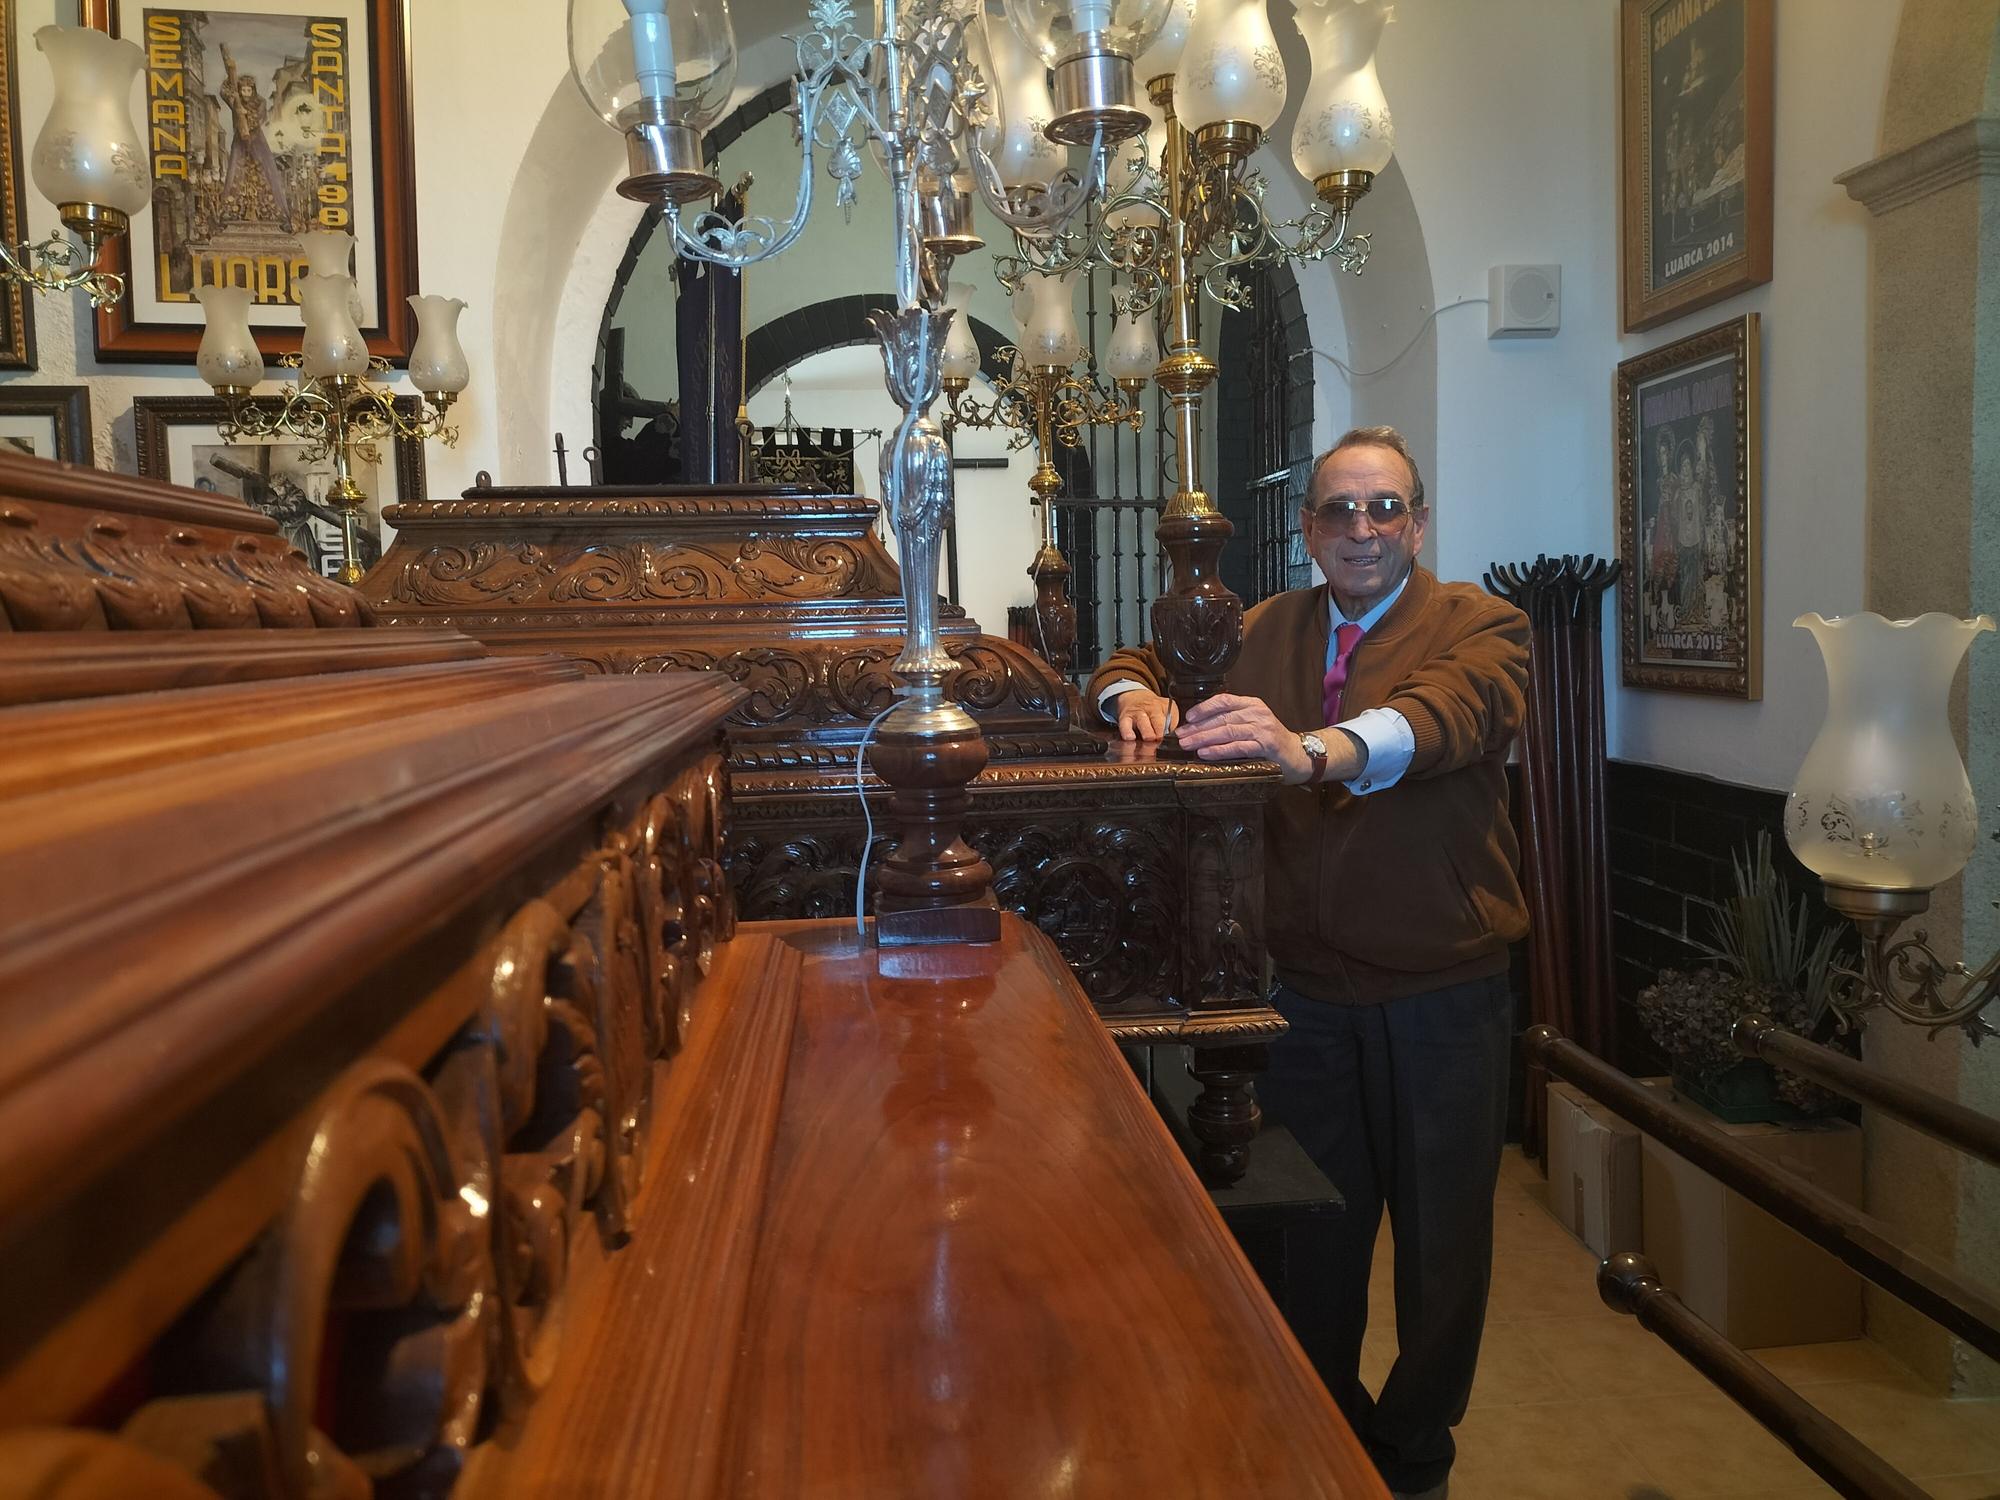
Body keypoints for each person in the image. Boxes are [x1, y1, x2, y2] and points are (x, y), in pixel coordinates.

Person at [1086, 426, 1529, 1500]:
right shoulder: (1260, 627)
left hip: (1444, 994)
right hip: (1306, 1002)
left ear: (1416, 523)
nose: (1362, 530)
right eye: (1338, 510)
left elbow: (1446, 718)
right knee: (1314, 1239)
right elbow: (1133, 661)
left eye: (1384, 509)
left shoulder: (1479, 622)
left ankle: (1412, 1452)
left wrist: (1309, 751)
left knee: (1441, 1246)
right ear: (1306, 528)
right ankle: (1324, 1428)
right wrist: (1128, 700)